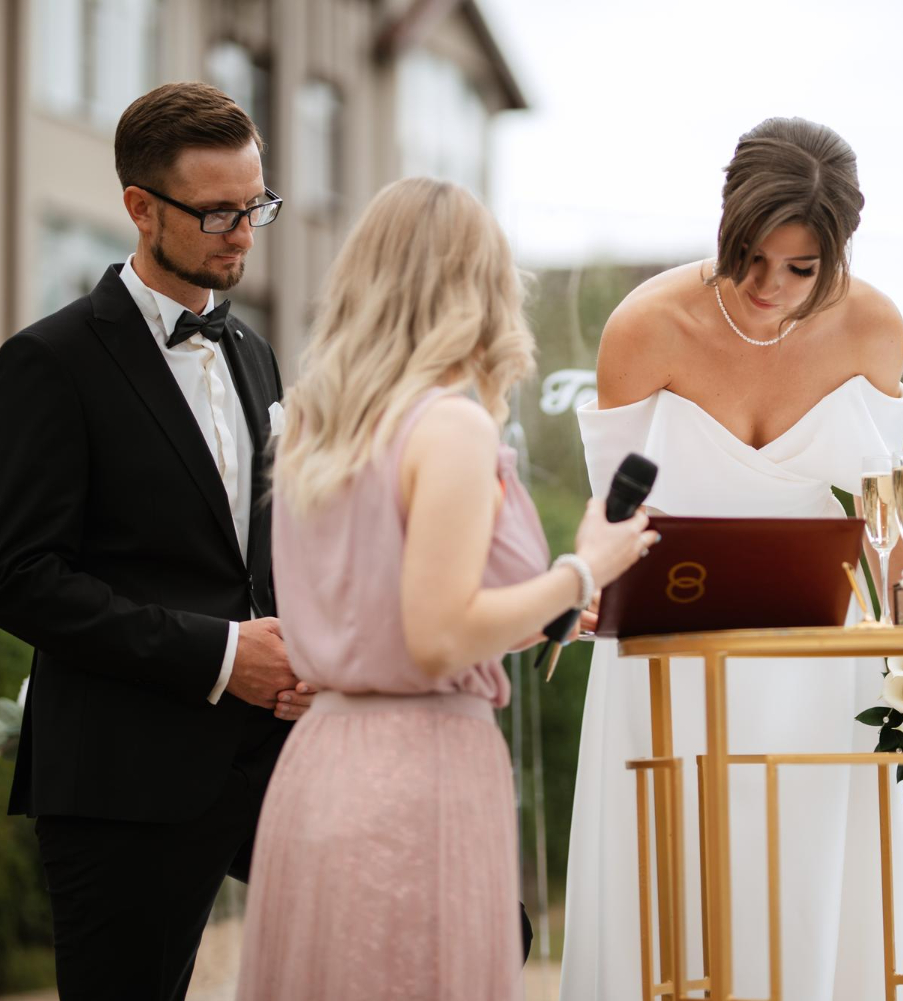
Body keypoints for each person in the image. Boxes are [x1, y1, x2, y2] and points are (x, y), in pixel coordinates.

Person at [234, 177, 657, 1001]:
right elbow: (433, 636)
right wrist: (583, 570)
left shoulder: (321, 427)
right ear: (484, 289)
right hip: (415, 780)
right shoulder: (450, 427)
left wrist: (544, 617)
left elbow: (391, 621)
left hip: (319, 770)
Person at [559, 117, 903, 1000]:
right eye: (754, 258)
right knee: (679, 897)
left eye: (803, 269)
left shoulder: (874, 326)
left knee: (811, 886)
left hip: (819, 662)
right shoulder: (646, 325)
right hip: (670, 653)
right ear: (726, 223)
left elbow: (894, 513)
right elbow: (616, 502)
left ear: (840, 252)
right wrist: (581, 580)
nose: (770, 288)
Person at [0, 82, 313, 1000]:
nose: (243, 232)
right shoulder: (49, 364)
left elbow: (257, 548)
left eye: (256, 206)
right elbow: (18, 580)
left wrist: (300, 646)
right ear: (139, 206)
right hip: (122, 779)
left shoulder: (253, 354)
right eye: (217, 213)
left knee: (442, 917)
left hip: (267, 750)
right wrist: (222, 653)